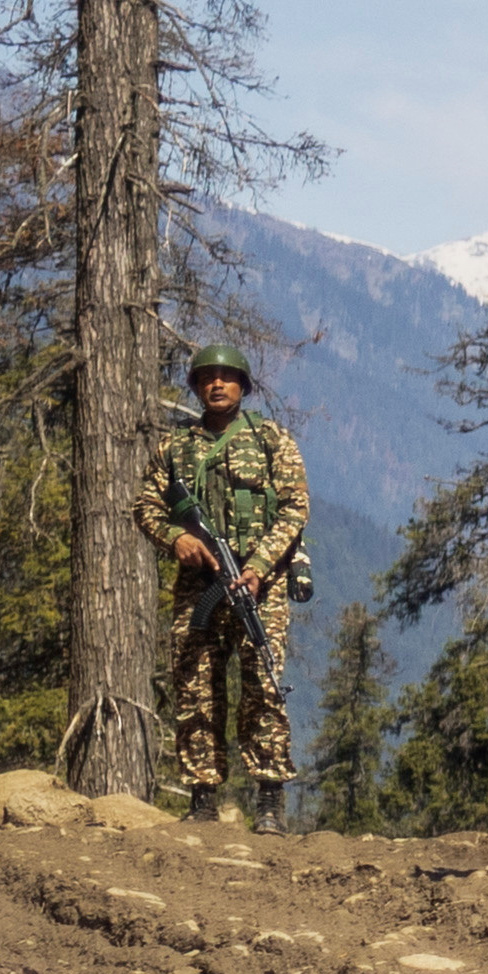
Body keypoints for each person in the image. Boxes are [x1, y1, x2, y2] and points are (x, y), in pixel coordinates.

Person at [136, 344, 308, 829]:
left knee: (263, 687)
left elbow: (295, 508)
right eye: (206, 377)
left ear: (243, 387)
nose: (216, 384)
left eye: (227, 377)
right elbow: (146, 506)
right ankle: (203, 799)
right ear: (195, 387)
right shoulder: (175, 447)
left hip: (260, 587)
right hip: (200, 586)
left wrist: (260, 565)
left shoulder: (271, 440)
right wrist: (176, 538)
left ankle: (269, 801)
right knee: (195, 687)